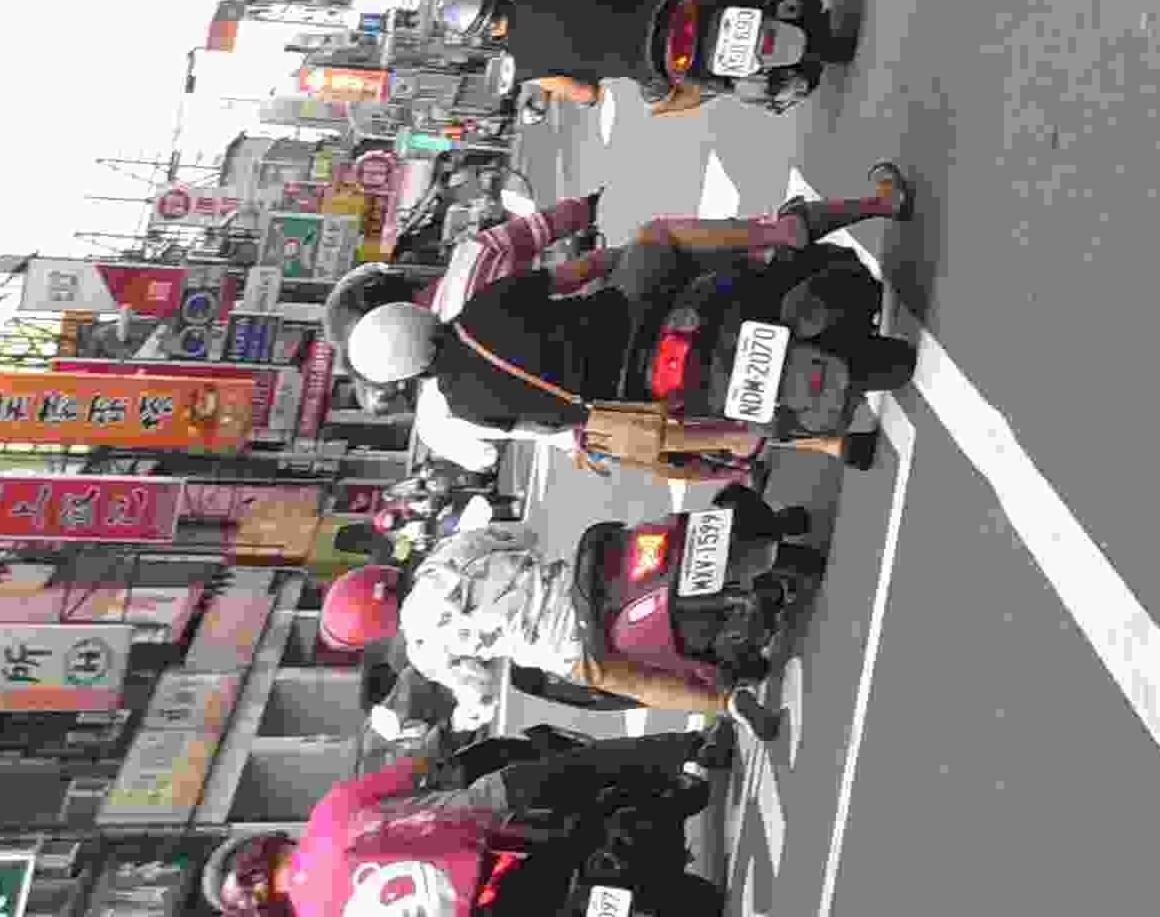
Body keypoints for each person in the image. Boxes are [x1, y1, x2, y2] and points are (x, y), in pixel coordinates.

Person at [342, 169, 913, 470]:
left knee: (716, 436)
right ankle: (782, 231)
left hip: (634, 400)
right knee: (659, 234)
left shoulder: (465, 409)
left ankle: (795, 438)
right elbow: (581, 270)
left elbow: (550, 429)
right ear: (409, 311)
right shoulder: (482, 307)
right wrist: (620, 257)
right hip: (635, 313)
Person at [197, 721, 730, 917]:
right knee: (580, 767)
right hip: (495, 825)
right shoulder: (328, 815)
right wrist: (437, 743)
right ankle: (692, 747)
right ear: (268, 844)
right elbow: (420, 765)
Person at [372, 510, 764, 725]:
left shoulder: (423, 647)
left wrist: (467, 715)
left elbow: (479, 692)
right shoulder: (446, 553)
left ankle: (726, 702)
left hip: (566, 643)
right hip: (582, 577)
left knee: (634, 683)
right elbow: (525, 535)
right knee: (646, 536)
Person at [449, 0, 868, 113]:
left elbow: (587, 94)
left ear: (480, 30)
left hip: (658, 60)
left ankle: (761, 88)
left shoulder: (529, 68)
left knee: (680, 97)